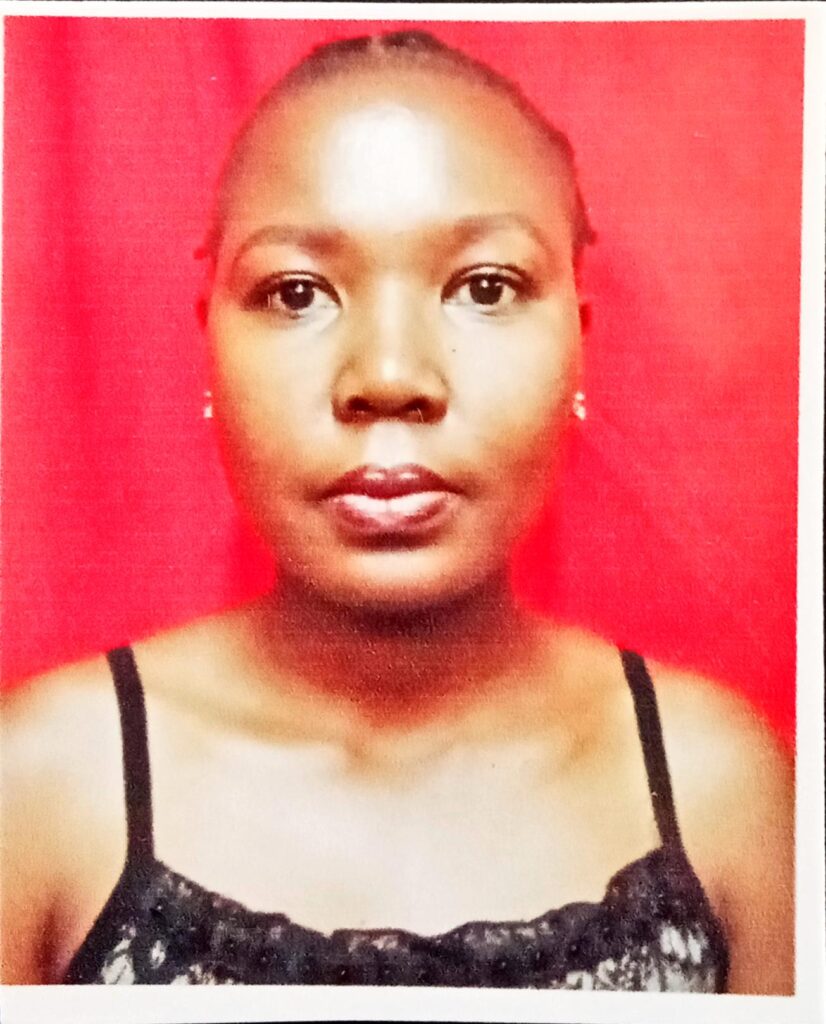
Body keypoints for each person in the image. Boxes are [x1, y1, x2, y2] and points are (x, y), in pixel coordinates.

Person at [0, 29, 793, 991]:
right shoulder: (41, 787)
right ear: (210, 343)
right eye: (296, 292)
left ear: (578, 344)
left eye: (485, 287)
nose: (388, 376)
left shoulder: (724, 792)